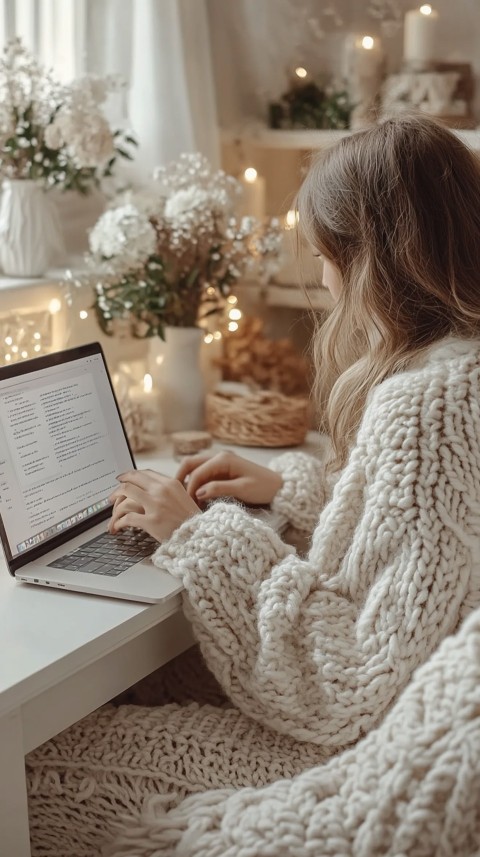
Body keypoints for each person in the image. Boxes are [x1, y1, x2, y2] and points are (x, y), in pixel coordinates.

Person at [27, 114, 480, 856]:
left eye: (327, 252)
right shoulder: (461, 371)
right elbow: (418, 565)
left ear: (367, 257)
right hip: (375, 716)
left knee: (34, 764)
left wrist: (197, 531)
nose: (324, 274)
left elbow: (349, 685)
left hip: (342, 755)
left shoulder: (427, 409)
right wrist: (287, 491)